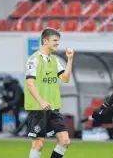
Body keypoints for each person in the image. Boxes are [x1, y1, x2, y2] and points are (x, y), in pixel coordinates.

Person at [25, 28, 74, 158]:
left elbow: (65, 78)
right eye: (55, 40)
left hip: (53, 108)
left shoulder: (54, 60)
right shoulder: (33, 60)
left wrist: (70, 59)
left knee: (65, 141)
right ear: (45, 41)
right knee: (38, 145)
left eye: (58, 41)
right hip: (38, 108)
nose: (57, 43)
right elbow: (30, 84)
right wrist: (41, 101)